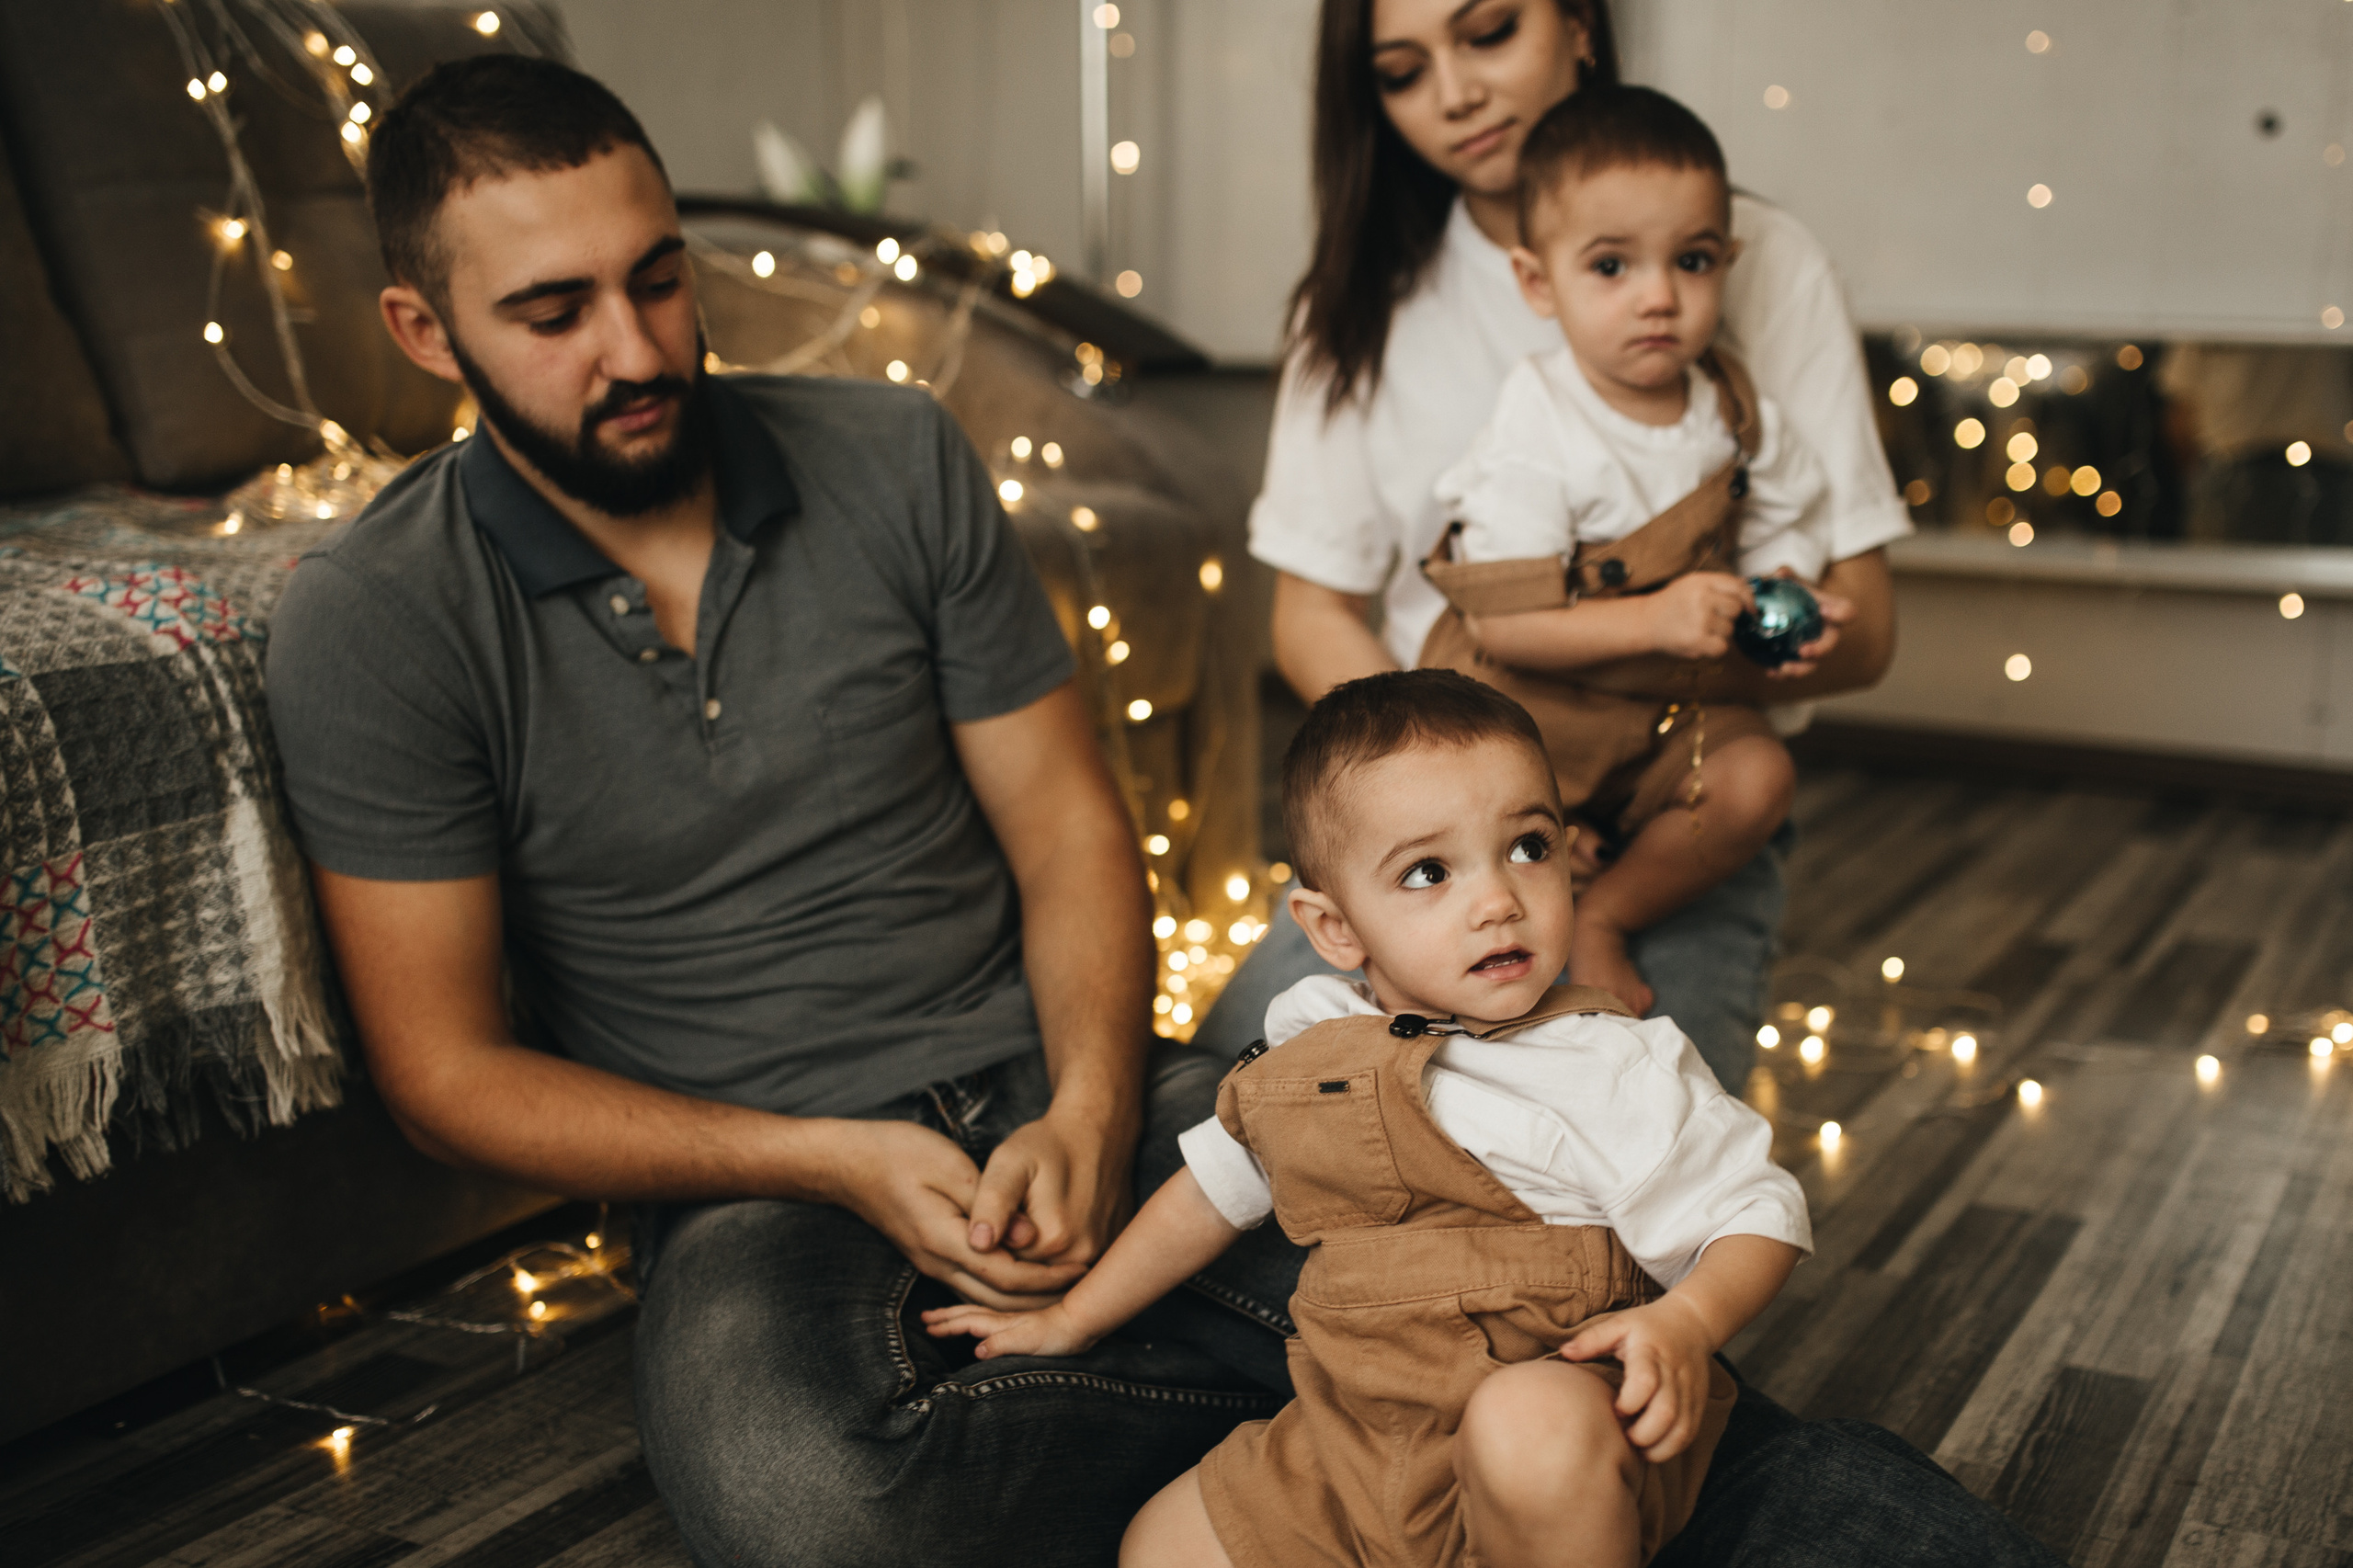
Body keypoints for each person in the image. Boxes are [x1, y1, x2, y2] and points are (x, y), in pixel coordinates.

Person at [264, 55, 1292, 1568]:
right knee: (818, 1504)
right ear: (426, 333)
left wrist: (1085, 1109)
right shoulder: (375, 616)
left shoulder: (896, 457)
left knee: (1484, 1238)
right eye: (554, 314)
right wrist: (827, 1157)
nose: (638, 349)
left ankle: (1332, 1435)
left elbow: (1071, 829)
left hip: (1064, 1079)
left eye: (658, 279)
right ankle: (1363, 1442)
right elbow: (444, 1074)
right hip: (762, 1191)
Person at [926, 671, 1812, 1568]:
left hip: (1553, 1420)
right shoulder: (1311, 1036)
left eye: (1528, 846)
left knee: (1525, 1422)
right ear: (1335, 927)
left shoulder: (1610, 1058)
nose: (1498, 898)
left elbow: (1755, 1211)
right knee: (1160, 1543)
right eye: (1429, 870)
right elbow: (1207, 1193)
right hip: (1353, 1440)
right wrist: (1072, 1318)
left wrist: (1686, 1322)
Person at [1200, 0, 1909, 1095]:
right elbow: (1310, 615)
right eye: (1402, 70)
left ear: (1579, 23)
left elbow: (1862, 632)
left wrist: (1621, 667)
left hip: (1663, 822)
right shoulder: (1358, 306)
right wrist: (1471, 815)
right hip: (1425, 829)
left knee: (1638, 1194)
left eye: (1487, 33)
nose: (1455, 93)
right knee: (1226, 1107)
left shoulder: (1760, 260)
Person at [1422, 85, 1830, 1015]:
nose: (1657, 297)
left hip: (1662, 718)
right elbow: (1505, 623)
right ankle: (1537, 855)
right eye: (1611, 265)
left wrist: (1786, 591)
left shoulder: (1728, 404)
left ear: (1724, 262)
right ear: (1538, 282)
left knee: (1758, 777)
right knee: (1452, 812)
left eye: (1689, 261)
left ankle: (1606, 908)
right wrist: (1657, 615)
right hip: (1529, 716)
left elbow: (1782, 517)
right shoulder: (1538, 422)